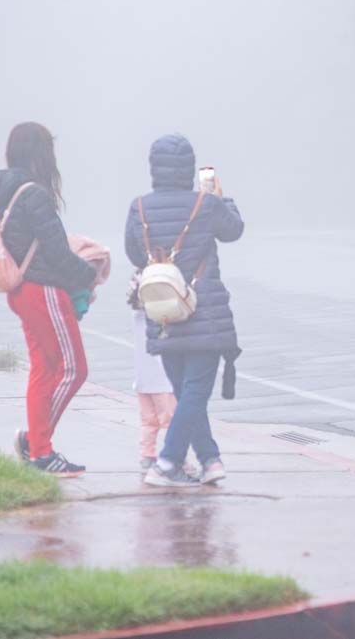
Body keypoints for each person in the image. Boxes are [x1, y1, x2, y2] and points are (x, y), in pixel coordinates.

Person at [125, 134, 244, 488]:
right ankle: (167, 461)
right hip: (204, 311)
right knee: (194, 392)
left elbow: (135, 255)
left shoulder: (140, 207)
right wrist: (222, 199)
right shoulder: (206, 204)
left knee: (187, 393)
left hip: (163, 312)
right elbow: (234, 230)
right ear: (190, 168)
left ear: (153, 169)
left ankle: (210, 460)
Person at [0, 121, 97, 476]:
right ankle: (39, 448)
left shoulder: (8, 194)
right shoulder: (34, 194)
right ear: (40, 154)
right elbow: (58, 253)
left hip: (22, 292)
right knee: (74, 369)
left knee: (44, 369)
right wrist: (89, 274)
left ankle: (36, 447)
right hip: (43, 291)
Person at [127, 275, 178, 473]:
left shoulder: (137, 312)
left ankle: (147, 456)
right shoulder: (160, 314)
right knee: (170, 420)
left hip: (142, 379)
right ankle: (171, 457)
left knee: (148, 421)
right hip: (163, 379)